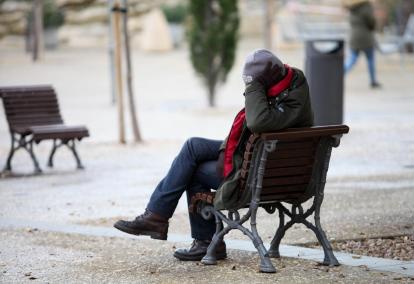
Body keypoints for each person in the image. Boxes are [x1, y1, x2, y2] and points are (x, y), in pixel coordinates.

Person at [114, 49, 314, 261]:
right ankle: (157, 216)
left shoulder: (292, 103)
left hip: (257, 173)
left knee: (194, 171)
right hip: (260, 157)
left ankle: (203, 240)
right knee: (193, 146)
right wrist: (259, 83)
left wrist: (253, 85)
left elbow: (257, 122)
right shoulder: (293, 85)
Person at [343, 0, 382, 88]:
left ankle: (339, 74)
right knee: (370, 60)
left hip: (354, 37)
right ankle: (373, 81)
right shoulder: (366, 6)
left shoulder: (352, 8)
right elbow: (371, 21)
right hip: (366, 38)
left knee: (352, 59)